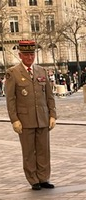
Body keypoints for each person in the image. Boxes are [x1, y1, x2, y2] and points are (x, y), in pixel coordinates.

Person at [5, 40, 57, 190]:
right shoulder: (12, 73)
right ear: (20, 55)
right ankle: (33, 179)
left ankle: (43, 177)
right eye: (26, 55)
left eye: (32, 54)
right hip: (25, 118)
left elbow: (49, 95)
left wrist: (52, 114)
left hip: (42, 117)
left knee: (43, 150)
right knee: (28, 151)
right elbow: (11, 99)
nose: (30, 57)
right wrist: (14, 119)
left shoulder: (41, 71)